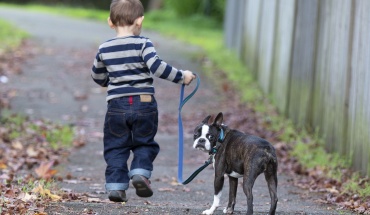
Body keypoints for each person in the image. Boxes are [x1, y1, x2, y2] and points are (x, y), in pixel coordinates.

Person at [91, 0, 195, 203]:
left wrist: (108, 80)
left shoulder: (104, 48)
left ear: (110, 22)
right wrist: (182, 76)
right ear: (140, 21)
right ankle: (139, 173)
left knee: (115, 146)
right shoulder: (143, 43)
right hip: (144, 103)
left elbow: (97, 75)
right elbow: (157, 67)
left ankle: (116, 187)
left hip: (116, 106)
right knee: (144, 142)